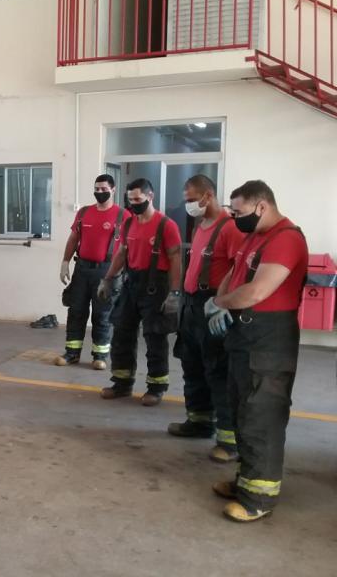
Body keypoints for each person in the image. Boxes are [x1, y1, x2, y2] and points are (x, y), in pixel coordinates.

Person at [206, 180, 308, 522]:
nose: (235, 218)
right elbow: (236, 273)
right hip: (244, 337)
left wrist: (221, 303)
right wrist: (218, 301)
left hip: (269, 340)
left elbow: (256, 291)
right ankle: (245, 481)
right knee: (241, 411)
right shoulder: (255, 236)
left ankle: (259, 499)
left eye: (239, 212)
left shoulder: (286, 239)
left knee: (261, 416)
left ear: (261, 206)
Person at [167, 175, 244, 462]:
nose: (187, 204)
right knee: (193, 366)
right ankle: (199, 421)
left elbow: (240, 269)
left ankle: (228, 439)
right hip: (191, 307)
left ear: (207, 196)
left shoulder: (231, 228)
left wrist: (224, 304)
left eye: (190, 199)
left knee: (218, 371)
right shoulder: (201, 226)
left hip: (211, 306)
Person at [97, 178, 182, 406]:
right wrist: (107, 279)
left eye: (138, 199)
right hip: (131, 283)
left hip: (156, 286)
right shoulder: (128, 224)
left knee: (154, 337)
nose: (133, 203)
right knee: (122, 334)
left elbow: (175, 259)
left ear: (150, 197)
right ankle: (122, 384)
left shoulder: (166, 225)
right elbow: (122, 254)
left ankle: (156, 387)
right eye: (130, 199)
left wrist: (174, 292)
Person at [56, 174, 129, 369]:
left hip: (106, 272)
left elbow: (130, 246)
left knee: (102, 314)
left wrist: (122, 274)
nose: (100, 193)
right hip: (82, 270)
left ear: (113, 190)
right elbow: (73, 239)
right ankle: (72, 353)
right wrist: (65, 262)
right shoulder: (83, 213)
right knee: (76, 311)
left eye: (104, 190)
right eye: (97, 189)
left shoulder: (124, 216)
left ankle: (100, 356)